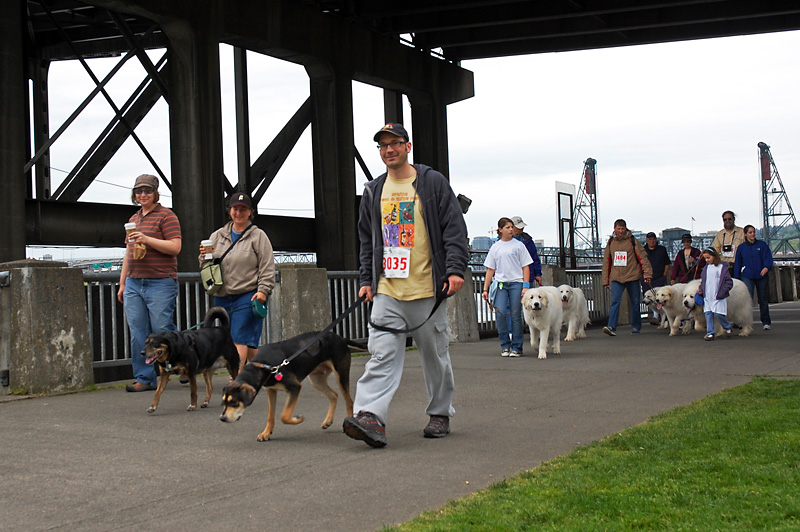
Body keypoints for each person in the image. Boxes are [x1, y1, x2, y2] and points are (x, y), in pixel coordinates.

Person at [343, 123, 469, 448]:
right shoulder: (373, 190)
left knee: (435, 356)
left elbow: (454, 229)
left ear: (407, 146)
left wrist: (455, 270)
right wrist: (367, 280)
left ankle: (440, 412)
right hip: (388, 288)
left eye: (395, 143)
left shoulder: (432, 183)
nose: (389, 150)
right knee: (381, 355)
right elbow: (367, 241)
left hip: (428, 290)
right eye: (383, 146)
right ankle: (370, 417)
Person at [117, 174, 182, 392]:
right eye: (139, 191)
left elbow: (175, 247)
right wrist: (123, 283)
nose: (143, 195)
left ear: (155, 193)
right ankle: (144, 379)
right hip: (134, 282)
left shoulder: (167, 216)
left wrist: (147, 239)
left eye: (147, 191)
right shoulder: (133, 219)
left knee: (161, 329)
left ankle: (181, 362)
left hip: (160, 282)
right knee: (138, 333)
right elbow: (129, 252)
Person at [200, 192, 275, 370]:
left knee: (238, 340)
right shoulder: (217, 236)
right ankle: (269, 370)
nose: (238, 213)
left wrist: (263, 290)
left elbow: (267, 265)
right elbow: (207, 266)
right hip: (223, 295)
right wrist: (203, 256)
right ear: (230, 211)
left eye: (243, 209)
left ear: (250, 212)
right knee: (246, 345)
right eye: (235, 209)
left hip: (248, 295)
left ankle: (237, 382)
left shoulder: (258, 236)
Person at [482, 217, 532, 357]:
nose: (511, 229)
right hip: (501, 284)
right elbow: (490, 269)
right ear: (500, 230)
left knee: (516, 315)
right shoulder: (495, 247)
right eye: (508, 227)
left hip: (516, 282)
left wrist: (525, 285)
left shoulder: (519, 245)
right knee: (500, 313)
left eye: (511, 227)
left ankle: (517, 347)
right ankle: (505, 345)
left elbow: (525, 266)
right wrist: (485, 289)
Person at [601, 219, 652, 336]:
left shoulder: (632, 241)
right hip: (616, 277)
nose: (620, 231)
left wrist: (647, 274)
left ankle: (636, 326)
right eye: (618, 229)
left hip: (632, 276)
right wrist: (605, 280)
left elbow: (643, 257)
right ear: (614, 228)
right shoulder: (610, 242)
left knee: (635, 302)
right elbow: (606, 262)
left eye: (622, 229)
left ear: (626, 228)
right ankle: (611, 327)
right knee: (615, 301)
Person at [734, 224, 773, 330]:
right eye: (750, 232)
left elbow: (768, 257)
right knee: (746, 300)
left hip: (761, 275)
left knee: (763, 299)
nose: (752, 234)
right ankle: (744, 321)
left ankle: (766, 321)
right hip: (747, 276)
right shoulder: (741, 248)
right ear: (745, 234)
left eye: (753, 232)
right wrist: (736, 278)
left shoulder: (762, 245)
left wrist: (766, 267)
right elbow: (738, 263)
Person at [698, 247, 733, 341]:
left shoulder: (722, 268)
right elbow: (704, 282)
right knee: (708, 314)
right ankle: (710, 333)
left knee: (719, 314)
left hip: (718, 296)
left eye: (708, 257)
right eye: (705, 258)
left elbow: (729, 282)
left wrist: (723, 291)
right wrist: (701, 289)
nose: (707, 260)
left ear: (714, 256)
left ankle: (727, 327)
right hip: (708, 296)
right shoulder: (706, 268)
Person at [641, 232, 670, 325]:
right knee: (648, 297)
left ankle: (660, 317)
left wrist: (664, 275)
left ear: (656, 240)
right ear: (647, 240)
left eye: (653, 239)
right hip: (646, 278)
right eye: (650, 239)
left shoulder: (662, 249)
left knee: (659, 297)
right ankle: (655, 315)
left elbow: (667, 263)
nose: (652, 241)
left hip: (659, 277)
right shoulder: (642, 250)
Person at [510, 216, 543, 286]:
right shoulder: (503, 241)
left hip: (528, 276)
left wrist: (538, 274)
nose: (522, 228)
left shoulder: (528, 241)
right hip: (511, 278)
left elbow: (534, 258)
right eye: (519, 227)